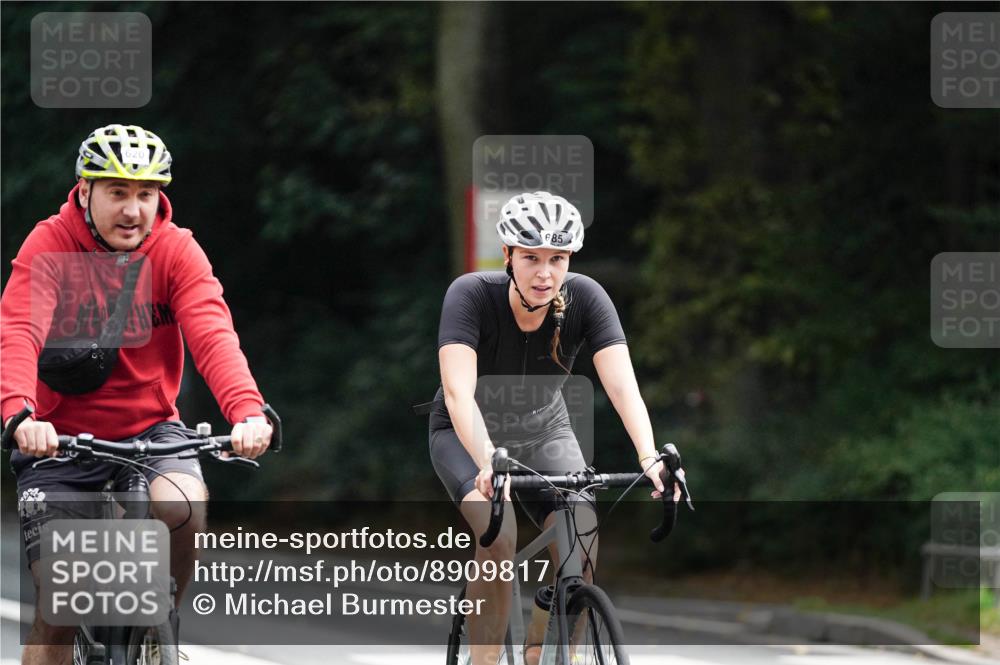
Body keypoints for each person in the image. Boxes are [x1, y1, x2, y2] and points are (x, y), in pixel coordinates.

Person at [0, 123, 273, 665]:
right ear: (84, 192)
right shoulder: (50, 243)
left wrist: (247, 410)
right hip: (58, 442)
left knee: (185, 505)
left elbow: (212, 333)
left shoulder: (176, 251)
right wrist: (19, 413)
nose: (133, 210)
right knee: (59, 609)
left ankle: (159, 624)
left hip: (151, 432)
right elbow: (19, 330)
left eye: (145, 193)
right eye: (117, 192)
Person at [429, 191, 681, 665]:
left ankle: (547, 648)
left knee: (582, 532)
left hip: (545, 429)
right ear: (506, 255)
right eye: (531, 258)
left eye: (557, 259)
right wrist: (488, 464)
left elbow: (624, 387)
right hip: (466, 434)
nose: (545, 273)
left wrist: (649, 456)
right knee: (497, 536)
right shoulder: (470, 295)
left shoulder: (587, 298)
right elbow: (460, 394)